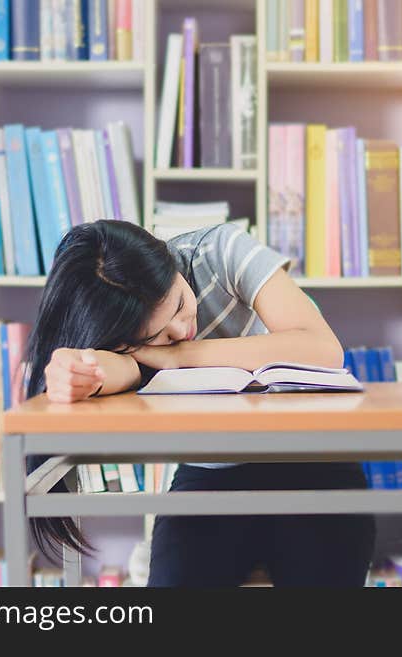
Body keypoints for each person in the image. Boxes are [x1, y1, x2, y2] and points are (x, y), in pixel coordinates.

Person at [24, 219, 375, 587]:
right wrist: (79, 370)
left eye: (177, 304)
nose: (179, 330)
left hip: (315, 461)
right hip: (213, 474)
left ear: (170, 262)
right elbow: (122, 369)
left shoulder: (219, 251)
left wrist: (181, 355)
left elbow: (322, 349)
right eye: (154, 337)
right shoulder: (117, 324)